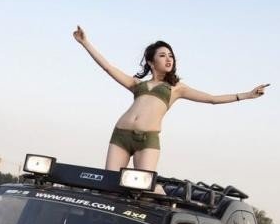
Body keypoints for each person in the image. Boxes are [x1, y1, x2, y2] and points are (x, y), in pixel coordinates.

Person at [73, 25, 269, 174]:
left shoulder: (177, 88)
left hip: (147, 140)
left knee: (142, 187)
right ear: (151, 62)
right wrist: (85, 43)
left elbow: (211, 99)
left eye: (171, 56)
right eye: (162, 55)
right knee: (111, 185)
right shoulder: (136, 84)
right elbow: (108, 68)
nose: (169, 59)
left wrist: (247, 95)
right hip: (120, 135)